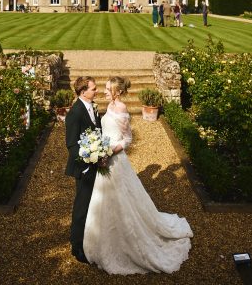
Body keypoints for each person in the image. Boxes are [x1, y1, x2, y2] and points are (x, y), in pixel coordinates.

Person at [83, 76, 193, 274]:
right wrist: (97, 148)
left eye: (108, 88)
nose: (105, 91)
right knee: (104, 200)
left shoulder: (122, 108)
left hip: (115, 161)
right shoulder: (109, 105)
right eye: (106, 88)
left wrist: (109, 152)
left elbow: (127, 139)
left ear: (117, 91)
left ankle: (128, 243)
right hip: (104, 160)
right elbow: (106, 131)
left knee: (122, 200)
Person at [65, 76, 101, 264]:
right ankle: (76, 246)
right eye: (93, 89)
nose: (97, 91)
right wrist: (87, 163)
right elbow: (71, 145)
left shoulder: (93, 107)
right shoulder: (75, 112)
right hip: (84, 168)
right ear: (83, 92)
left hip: (96, 163)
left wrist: (101, 152)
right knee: (82, 206)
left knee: (94, 204)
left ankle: (91, 238)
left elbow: (97, 132)